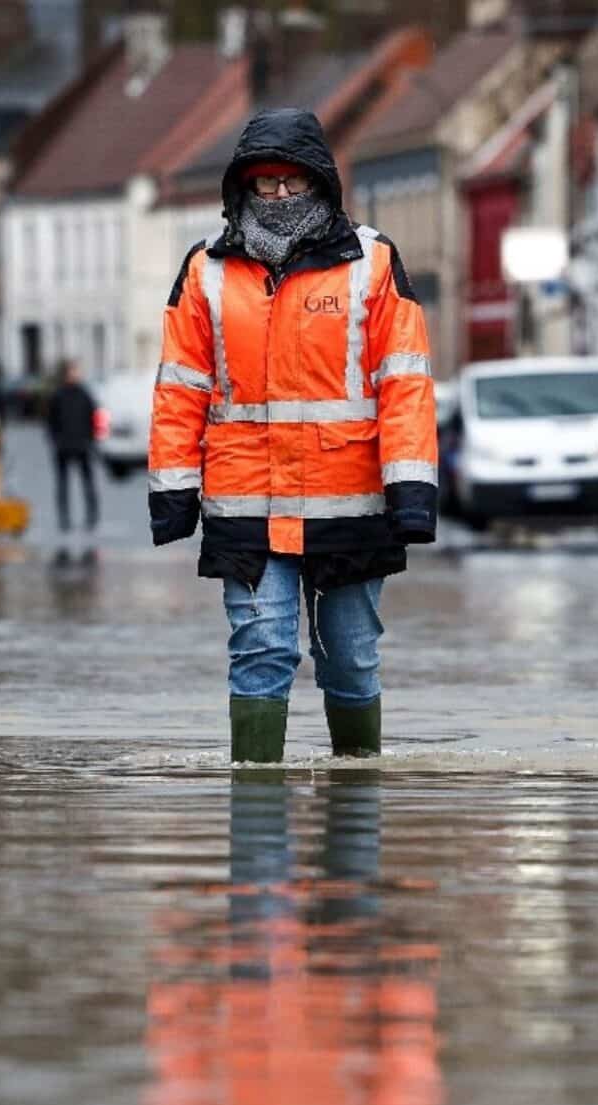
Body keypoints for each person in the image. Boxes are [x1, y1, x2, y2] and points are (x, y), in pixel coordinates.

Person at [147, 108, 439, 764]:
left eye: (292, 183)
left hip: (351, 506)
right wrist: (173, 493)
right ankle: (257, 842)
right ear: (241, 189)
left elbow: (406, 385)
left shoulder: (373, 263)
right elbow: (179, 391)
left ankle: (353, 822)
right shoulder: (206, 272)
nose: (278, 197)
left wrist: (412, 490)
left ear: (321, 184)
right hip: (246, 507)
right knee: (261, 650)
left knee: (352, 660)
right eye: (264, 184)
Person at [46, 359, 100, 533]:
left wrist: (91, 440)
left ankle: (92, 516)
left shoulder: (85, 395)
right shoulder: (58, 395)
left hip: (83, 446)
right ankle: (64, 518)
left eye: (76, 371)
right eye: (72, 372)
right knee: (63, 484)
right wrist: (56, 440)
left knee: (88, 483)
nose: (75, 375)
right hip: (63, 447)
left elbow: (95, 417)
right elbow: (50, 421)